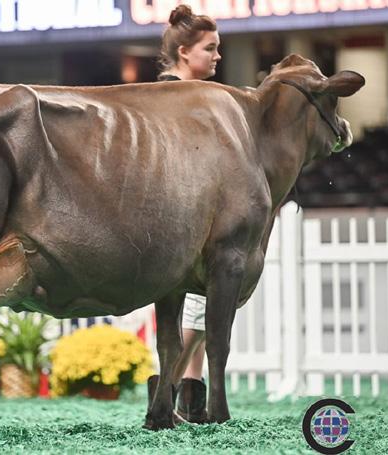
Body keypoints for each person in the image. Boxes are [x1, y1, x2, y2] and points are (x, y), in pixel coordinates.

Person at [147, 4, 221, 425]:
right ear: (184, 52)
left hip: (195, 210)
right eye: (209, 48)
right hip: (174, 214)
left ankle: (188, 400)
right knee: (192, 310)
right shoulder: (168, 94)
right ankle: (165, 395)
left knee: (199, 308)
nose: (217, 56)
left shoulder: (195, 94)